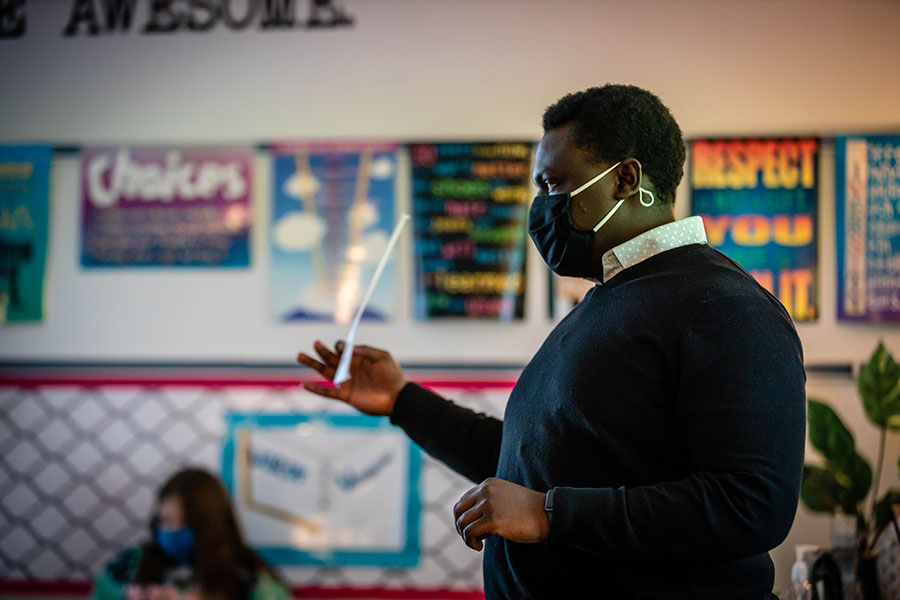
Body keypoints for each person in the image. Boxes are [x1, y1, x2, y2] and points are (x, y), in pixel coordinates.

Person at [297, 84, 806, 599]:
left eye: (555, 184)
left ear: (626, 179)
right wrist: (402, 401)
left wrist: (549, 515)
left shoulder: (724, 307)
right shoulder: (604, 301)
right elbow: (535, 464)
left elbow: (752, 504)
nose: (542, 207)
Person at [93, 468, 289, 600]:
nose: (173, 531)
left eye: (187, 522)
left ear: (213, 524)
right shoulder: (128, 567)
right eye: (165, 521)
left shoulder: (249, 577)